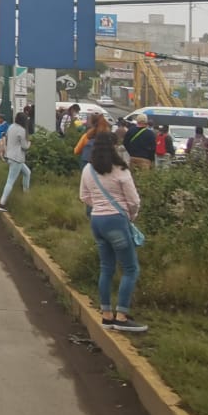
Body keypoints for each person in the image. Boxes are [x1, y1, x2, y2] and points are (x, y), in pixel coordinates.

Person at [79, 133, 146, 332]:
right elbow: (134, 201)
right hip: (116, 221)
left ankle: (106, 315)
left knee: (106, 267)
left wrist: (99, 207)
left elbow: (84, 196)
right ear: (114, 148)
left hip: (97, 221)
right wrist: (129, 216)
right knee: (130, 268)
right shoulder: (121, 170)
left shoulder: (88, 169)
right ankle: (122, 317)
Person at [0, 111, 31, 212]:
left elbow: (7, 139)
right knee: (10, 181)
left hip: (10, 156)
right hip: (17, 158)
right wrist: (30, 143)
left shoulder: (11, 127)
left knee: (27, 173)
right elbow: (25, 146)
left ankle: (26, 195)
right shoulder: (22, 130)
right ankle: (2, 204)